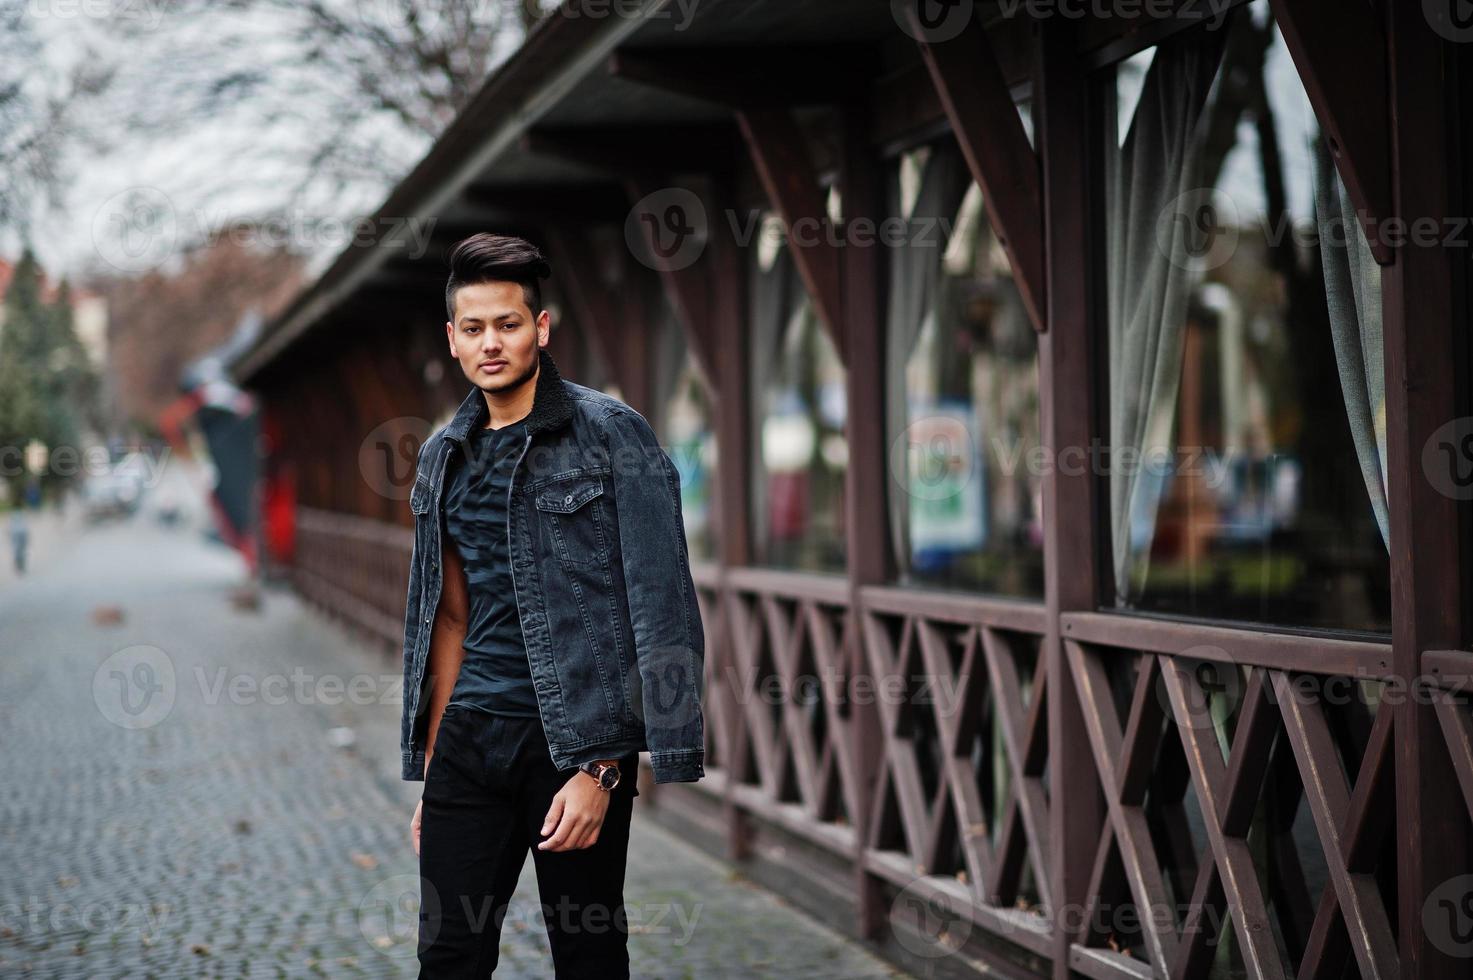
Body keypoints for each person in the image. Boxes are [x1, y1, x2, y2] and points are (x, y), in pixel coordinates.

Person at [400, 233, 706, 978]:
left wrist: (605, 770)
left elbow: (660, 606)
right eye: (473, 329)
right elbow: (449, 616)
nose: (491, 343)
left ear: (541, 327)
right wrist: (436, 765)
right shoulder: (444, 453)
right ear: (453, 340)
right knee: (447, 957)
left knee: (588, 954)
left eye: (507, 324)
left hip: (572, 745)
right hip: (471, 742)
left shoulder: (609, 435)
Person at [9, 507, 29, 575]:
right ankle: (20, 566)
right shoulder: (23, 514)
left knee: (17, 551)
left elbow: (9, 528)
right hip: (21, 534)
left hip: (16, 535)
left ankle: (19, 566)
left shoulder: (12, 516)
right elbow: (25, 528)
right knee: (21, 551)